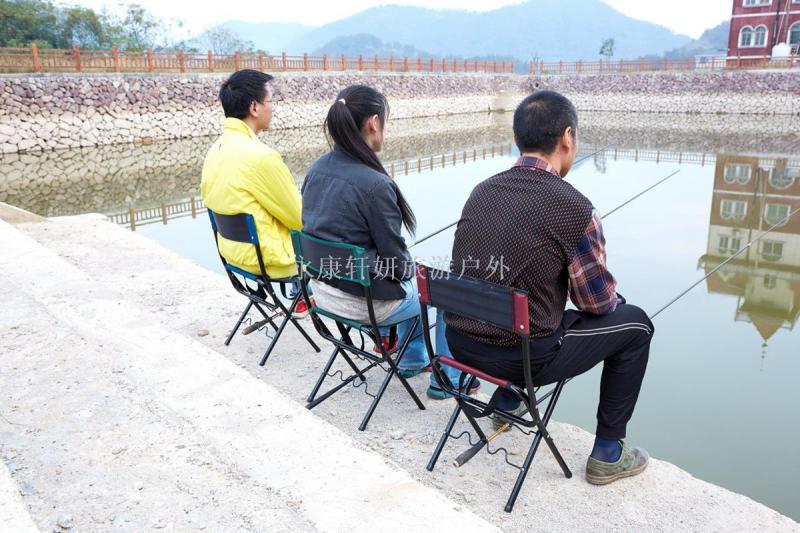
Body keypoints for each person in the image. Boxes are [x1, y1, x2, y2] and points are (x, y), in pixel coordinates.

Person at [445, 90, 654, 485]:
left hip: (461, 345)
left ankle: (508, 399)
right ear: (567, 138)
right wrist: (616, 300)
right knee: (636, 325)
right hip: (521, 357)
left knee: (529, 308)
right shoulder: (575, 208)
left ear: (517, 137)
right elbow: (596, 304)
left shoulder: (482, 190)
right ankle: (608, 452)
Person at [301, 84, 478, 399]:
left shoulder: (316, 169)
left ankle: (411, 359)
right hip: (362, 304)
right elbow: (398, 266)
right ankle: (448, 379)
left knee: (414, 277)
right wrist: (413, 268)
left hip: (323, 292)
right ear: (373, 123)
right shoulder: (375, 184)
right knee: (442, 288)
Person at [201, 69, 311, 317]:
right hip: (271, 261)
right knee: (337, 243)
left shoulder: (215, 150)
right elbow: (300, 218)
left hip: (233, 254)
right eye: (270, 101)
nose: (273, 108)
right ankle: (307, 296)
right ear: (254, 107)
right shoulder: (261, 157)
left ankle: (303, 296)